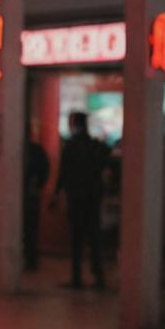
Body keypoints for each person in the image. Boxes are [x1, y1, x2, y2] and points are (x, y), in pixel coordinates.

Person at [50, 110, 110, 289]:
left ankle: (77, 278)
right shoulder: (94, 146)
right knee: (94, 237)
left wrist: (56, 193)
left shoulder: (71, 146)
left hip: (76, 196)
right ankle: (98, 275)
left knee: (76, 238)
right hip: (92, 197)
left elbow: (64, 172)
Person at [23, 134, 50, 271]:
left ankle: (30, 259)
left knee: (29, 229)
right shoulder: (35, 150)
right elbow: (45, 169)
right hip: (31, 195)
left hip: (29, 196)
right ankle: (30, 259)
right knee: (31, 229)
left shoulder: (30, 150)